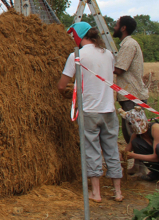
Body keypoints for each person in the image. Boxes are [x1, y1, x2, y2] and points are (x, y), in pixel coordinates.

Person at [57, 23, 123, 202]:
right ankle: (117, 192)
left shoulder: (76, 56)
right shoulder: (108, 54)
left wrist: (65, 94)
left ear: (79, 36)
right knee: (111, 149)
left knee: (92, 149)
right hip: (109, 109)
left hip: (89, 111)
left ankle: (96, 193)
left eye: (73, 36)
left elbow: (62, 85)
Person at [113, 15, 148, 144]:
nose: (114, 27)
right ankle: (138, 163)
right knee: (132, 134)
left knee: (134, 134)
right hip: (131, 95)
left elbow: (119, 69)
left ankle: (140, 162)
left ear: (123, 28)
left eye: (116, 25)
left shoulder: (128, 45)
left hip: (132, 96)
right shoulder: (128, 44)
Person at [123, 107, 159, 181]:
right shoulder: (135, 135)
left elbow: (156, 157)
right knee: (136, 143)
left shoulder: (156, 128)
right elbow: (125, 153)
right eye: (132, 123)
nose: (137, 125)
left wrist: (133, 155)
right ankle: (157, 173)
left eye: (139, 121)